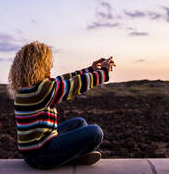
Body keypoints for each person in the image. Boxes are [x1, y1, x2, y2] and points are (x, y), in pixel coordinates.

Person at [7, 41, 116, 169]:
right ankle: (70, 158)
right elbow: (73, 85)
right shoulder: (40, 90)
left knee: (79, 123)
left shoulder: (28, 89)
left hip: (35, 150)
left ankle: (70, 156)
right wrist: (102, 72)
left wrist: (91, 69)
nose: (50, 67)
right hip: (40, 156)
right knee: (95, 132)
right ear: (38, 66)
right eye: (47, 64)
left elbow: (62, 80)